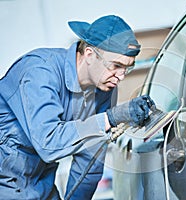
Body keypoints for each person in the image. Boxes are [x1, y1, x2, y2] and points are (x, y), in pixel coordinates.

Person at [0, 15, 155, 200]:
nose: (120, 76)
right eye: (116, 65)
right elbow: (48, 143)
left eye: (127, 69)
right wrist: (110, 118)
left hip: (41, 185)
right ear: (89, 54)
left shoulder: (104, 87)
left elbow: (90, 160)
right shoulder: (40, 71)